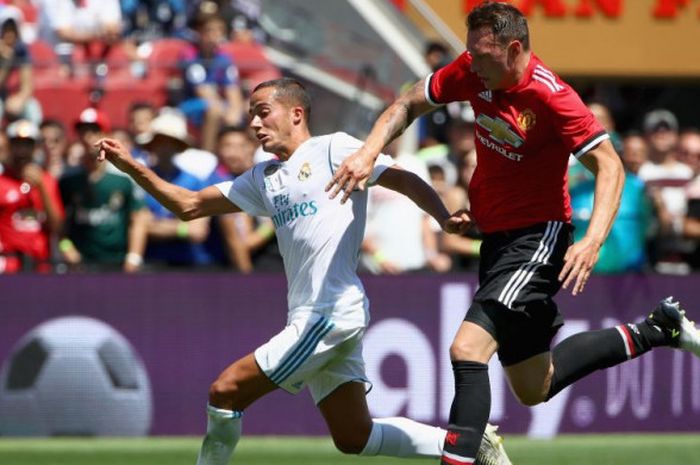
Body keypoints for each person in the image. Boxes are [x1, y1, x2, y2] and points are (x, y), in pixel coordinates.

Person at [325, 3, 700, 465]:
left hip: (537, 237)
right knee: (533, 385)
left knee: (467, 348)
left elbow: (610, 164)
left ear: (514, 48)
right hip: (497, 238)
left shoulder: (552, 96)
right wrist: (368, 153)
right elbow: (406, 103)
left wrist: (592, 239)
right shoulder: (473, 69)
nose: (471, 64)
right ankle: (656, 330)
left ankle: (467, 454)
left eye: (482, 56)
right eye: (470, 54)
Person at [96, 77, 511, 465]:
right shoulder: (263, 178)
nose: (255, 123)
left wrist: (441, 216)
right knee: (354, 437)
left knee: (224, 392)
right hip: (313, 315)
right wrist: (133, 166)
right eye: (252, 115)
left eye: (263, 112)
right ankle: (468, 444)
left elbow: (401, 178)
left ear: (296, 113)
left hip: (328, 313)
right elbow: (187, 205)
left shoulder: (334, 149)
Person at [0, 119, 63, 273]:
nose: (22, 150)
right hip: (8, 265)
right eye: (17, 144)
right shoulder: (2, 181)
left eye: (27, 145)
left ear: (35, 148)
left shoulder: (47, 181)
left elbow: (57, 226)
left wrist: (41, 187)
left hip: (40, 265)